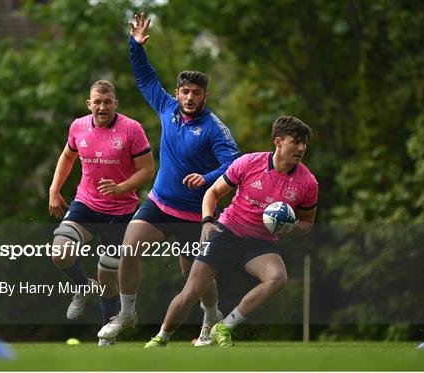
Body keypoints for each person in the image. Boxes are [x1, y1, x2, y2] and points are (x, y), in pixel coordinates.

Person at [97, 13, 240, 346]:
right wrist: (135, 45)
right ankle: (127, 313)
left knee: (194, 278)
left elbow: (233, 164)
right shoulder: (167, 107)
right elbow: (145, 78)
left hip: (194, 215)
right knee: (128, 249)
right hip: (160, 205)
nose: (190, 97)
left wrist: (206, 177)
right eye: (185, 91)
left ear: (205, 96)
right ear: (177, 92)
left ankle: (211, 316)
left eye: (197, 93)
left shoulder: (215, 129)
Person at [143, 116, 318, 348]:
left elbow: (307, 223)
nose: (301, 148)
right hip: (228, 230)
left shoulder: (307, 182)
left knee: (277, 278)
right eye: (295, 142)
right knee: (192, 291)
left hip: (260, 243)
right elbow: (212, 193)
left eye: (304, 143)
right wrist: (207, 221)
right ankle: (161, 338)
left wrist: (291, 226)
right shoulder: (248, 163)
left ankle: (224, 326)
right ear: (278, 141)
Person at [49, 80, 155, 346]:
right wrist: (54, 190)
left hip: (121, 212)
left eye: (107, 102)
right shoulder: (78, 127)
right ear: (89, 104)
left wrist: (121, 188)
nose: (102, 107)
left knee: (108, 275)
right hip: (85, 203)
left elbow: (147, 170)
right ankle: (83, 286)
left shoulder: (132, 129)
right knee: (60, 251)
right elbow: (67, 156)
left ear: (115, 104)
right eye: (97, 102)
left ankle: (107, 334)